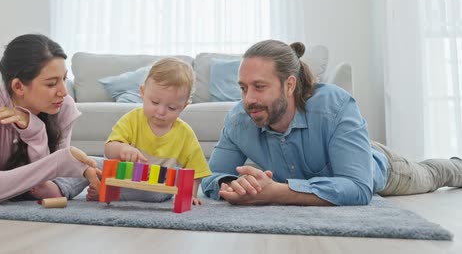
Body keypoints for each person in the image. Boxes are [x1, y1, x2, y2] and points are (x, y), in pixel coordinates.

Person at [202, 39, 462, 206]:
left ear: (289, 85)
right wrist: (232, 184)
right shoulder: (238, 119)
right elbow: (210, 177)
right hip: (333, 157)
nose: (249, 99)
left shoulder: (334, 105)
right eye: (243, 88)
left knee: (430, 175)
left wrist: (277, 192)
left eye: (259, 87)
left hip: (374, 166)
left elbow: (358, 188)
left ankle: (457, 166)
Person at [0, 34, 101, 204]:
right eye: (51, 84)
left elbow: (48, 180)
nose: (64, 92)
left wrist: (35, 131)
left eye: (64, 79)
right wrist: (59, 161)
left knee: (85, 169)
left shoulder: (64, 106)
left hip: (8, 157)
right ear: (18, 86)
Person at [91, 57, 212, 205]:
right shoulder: (132, 119)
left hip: (157, 188)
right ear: (142, 92)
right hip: (125, 176)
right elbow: (109, 149)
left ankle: (106, 191)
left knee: (159, 191)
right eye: (154, 102)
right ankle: (63, 188)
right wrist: (123, 148)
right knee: (88, 163)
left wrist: (190, 195)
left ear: (184, 106)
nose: (161, 111)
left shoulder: (185, 133)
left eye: (172, 108)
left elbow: (195, 171)